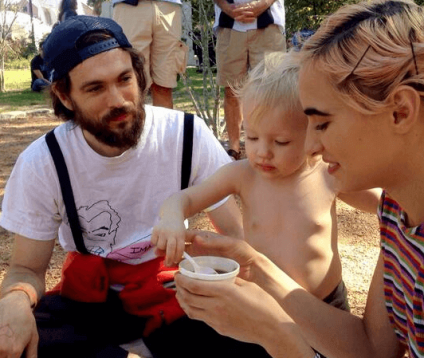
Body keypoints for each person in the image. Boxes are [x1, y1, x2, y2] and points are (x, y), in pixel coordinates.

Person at [173, 1, 424, 357]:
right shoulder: (399, 210)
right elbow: (372, 350)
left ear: (400, 111)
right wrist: (257, 268)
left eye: (323, 123)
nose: (311, 146)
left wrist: (278, 337)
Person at [0, 15, 273, 358]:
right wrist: (14, 301)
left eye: (124, 79)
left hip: (178, 293)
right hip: (89, 302)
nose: (119, 100)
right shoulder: (44, 162)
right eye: (95, 88)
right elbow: (26, 269)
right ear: (65, 97)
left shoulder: (185, 135)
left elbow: (234, 236)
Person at [153, 52, 381, 317]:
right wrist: (171, 216)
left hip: (325, 305)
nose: (262, 152)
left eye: (280, 142)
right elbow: (184, 199)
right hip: (266, 305)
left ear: (314, 135)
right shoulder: (242, 175)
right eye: (251, 137)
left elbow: (388, 205)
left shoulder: (328, 175)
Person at [213, 0, 286, 160]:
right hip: (229, 26)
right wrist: (228, 8)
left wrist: (261, 4)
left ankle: (271, 145)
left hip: (268, 24)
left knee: (272, 90)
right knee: (231, 90)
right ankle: (234, 149)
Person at [112, 0, 188, 109]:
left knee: (164, 86)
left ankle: (164, 126)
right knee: (132, 87)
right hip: (128, 6)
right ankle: (135, 126)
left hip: (168, 7)